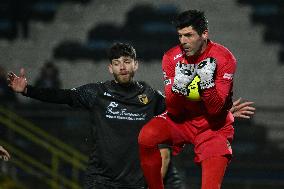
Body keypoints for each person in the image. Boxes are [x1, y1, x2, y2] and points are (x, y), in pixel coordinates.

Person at [7, 43, 254, 189]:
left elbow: (184, 115)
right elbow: (61, 96)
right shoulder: (96, 93)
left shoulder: (151, 96)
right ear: (110, 68)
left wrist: (223, 112)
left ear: (136, 65)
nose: (122, 66)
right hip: (100, 180)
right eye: (117, 62)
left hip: (136, 182)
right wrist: (27, 90)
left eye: (127, 61)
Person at [138, 10, 241, 189]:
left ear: (204, 34)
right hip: (182, 120)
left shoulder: (224, 58)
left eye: (188, 35)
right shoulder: (171, 58)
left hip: (213, 126)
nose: (183, 41)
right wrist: (178, 89)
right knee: (146, 136)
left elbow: (215, 110)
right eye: (180, 36)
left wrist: (207, 85)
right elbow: (174, 110)